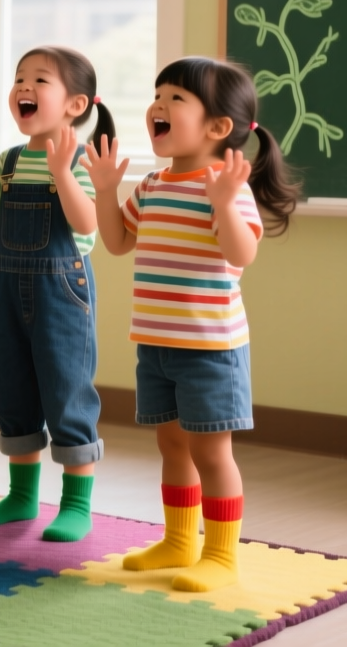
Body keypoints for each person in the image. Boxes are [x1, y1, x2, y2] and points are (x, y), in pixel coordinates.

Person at [83, 55, 299, 591]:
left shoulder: (225, 184)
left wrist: (225, 204)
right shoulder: (154, 184)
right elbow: (116, 242)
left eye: (175, 98)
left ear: (218, 127)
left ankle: (221, 555)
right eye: (158, 94)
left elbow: (242, 252)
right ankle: (179, 541)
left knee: (211, 451)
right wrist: (107, 191)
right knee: (172, 445)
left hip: (210, 348)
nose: (158, 104)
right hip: (155, 342)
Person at [0, 45, 116, 543]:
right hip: (7, 290)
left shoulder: (84, 160)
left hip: (63, 291)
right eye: (19, 78)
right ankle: (22, 496)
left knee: (67, 393)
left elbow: (87, 222)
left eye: (40, 80)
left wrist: (63, 172)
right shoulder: (10, 161)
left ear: (75, 105)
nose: (24, 87)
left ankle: (75, 504)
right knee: (13, 390)